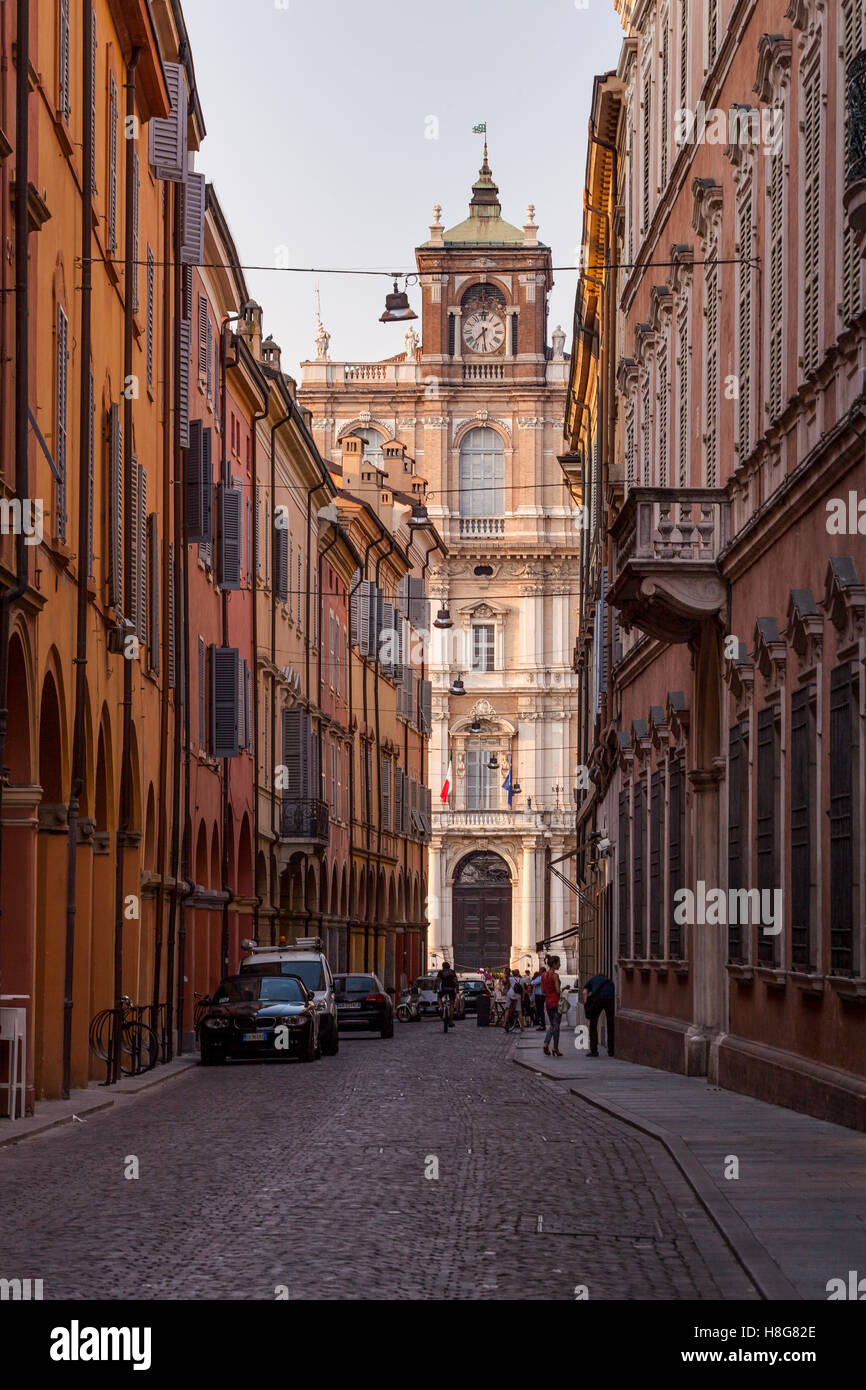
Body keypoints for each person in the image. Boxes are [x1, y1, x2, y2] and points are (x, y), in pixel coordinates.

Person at [582, 974, 615, 1057]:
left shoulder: (592, 980)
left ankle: (594, 1050)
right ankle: (611, 1050)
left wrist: (586, 1005)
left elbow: (584, 992)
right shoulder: (608, 981)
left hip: (598, 999)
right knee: (610, 1024)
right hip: (610, 999)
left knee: (593, 1024)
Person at [542, 955, 563, 1057]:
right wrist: (564, 989)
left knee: (553, 1025)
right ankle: (554, 1047)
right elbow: (558, 991)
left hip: (548, 1002)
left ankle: (550, 1045)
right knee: (556, 1026)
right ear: (554, 964)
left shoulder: (543, 975)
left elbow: (542, 990)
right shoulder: (555, 976)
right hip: (556, 1002)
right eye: (559, 963)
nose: (560, 965)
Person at [436, 960, 459, 1029]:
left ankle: (441, 1008)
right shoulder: (452, 972)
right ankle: (451, 1021)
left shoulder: (441, 972)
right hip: (451, 989)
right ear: (449, 966)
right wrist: (457, 990)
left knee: (439, 997)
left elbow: (437, 981)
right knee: (452, 1004)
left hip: (444, 989)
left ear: (443, 967)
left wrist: (435, 989)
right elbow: (456, 981)